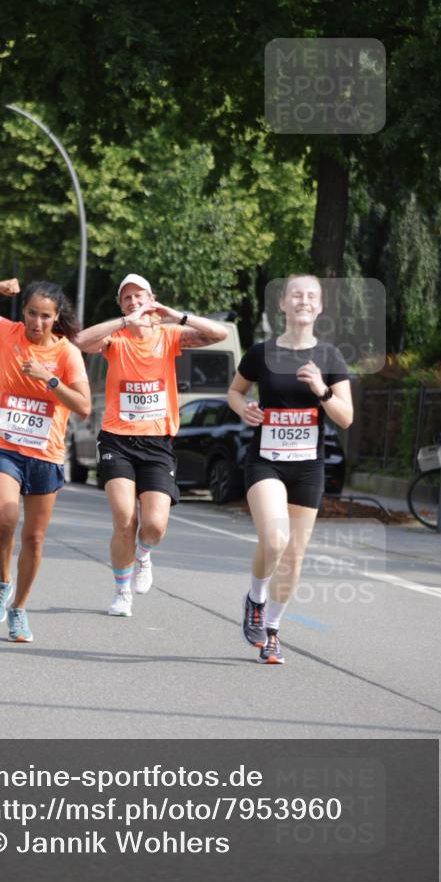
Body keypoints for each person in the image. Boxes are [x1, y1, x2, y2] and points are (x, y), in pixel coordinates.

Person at [0, 278, 90, 643]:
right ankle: (3, 581)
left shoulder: (67, 354)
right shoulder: (5, 332)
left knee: (35, 538)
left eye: (45, 316)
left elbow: (84, 408)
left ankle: (19, 609)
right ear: (22, 311)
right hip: (5, 447)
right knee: (6, 519)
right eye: (31, 314)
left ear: (56, 318)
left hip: (46, 455)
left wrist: (50, 380)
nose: (37, 323)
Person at [74, 274, 227, 618]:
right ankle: (121, 590)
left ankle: (143, 554)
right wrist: (124, 322)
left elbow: (220, 334)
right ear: (121, 305)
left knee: (155, 525)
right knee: (124, 517)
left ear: (151, 298)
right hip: (116, 438)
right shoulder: (115, 339)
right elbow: (80, 341)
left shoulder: (170, 336)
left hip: (157, 443)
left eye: (138, 296)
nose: (133, 301)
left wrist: (176, 315)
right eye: (126, 298)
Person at [227, 274, 353, 665]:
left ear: (319, 307)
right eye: (296, 294)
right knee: (276, 539)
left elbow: (345, 418)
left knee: (295, 555)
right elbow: (235, 391)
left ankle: (273, 632)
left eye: (311, 295)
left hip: (307, 466)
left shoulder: (330, 357)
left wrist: (322, 389)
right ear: (282, 303)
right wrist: (242, 408)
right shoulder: (261, 352)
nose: (303, 300)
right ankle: (256, 598)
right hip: (265, 460)